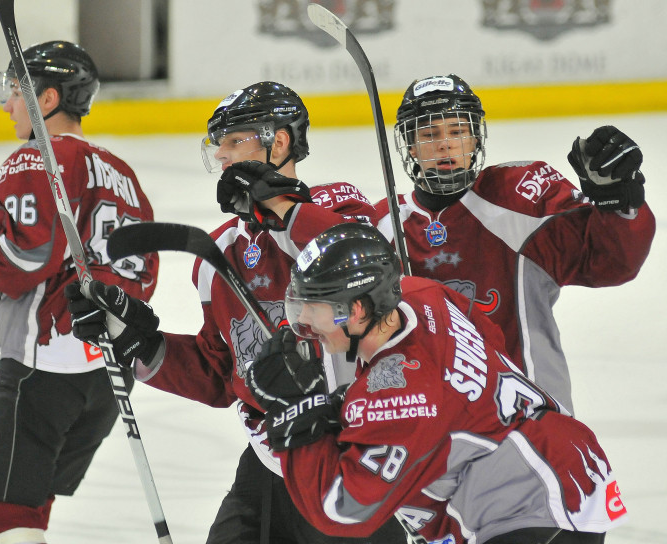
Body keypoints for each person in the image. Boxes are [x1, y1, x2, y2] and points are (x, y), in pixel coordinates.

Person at [67, 81, 410, 543]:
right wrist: (137, 343)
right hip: (269, 463)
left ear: (280, 141)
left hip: (352, 461)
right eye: (219, 145)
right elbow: (218, 373)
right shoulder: (221, 251)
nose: (223, 155)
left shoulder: (338, 205)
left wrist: (281, 207)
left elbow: (367, 265)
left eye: (235, 140)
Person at [245, 222, 629, 543]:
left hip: (528, 509)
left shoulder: (401, 394)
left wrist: (292, 416)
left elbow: (343, 509)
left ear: (357, 310)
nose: (303, 322)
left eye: (314, 306)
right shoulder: (419, 295)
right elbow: (489, 337)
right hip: (557, 468)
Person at [0, 41, 158, 544]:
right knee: (30, 495)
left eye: (14, 91)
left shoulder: (36, 160)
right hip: (107, 372)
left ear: (47, 100)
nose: (7, 104)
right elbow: (119, 268)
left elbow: (22, 259)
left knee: (3, 508)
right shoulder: (124, 174)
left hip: (44, 370)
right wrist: (13, 300)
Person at [374, 74, 655, 413]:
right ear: (411, 146)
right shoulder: (382, 226)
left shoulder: (518, 197)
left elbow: (611, 262)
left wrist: (617, 199)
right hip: (432, 425)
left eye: (458, 131)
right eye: (429, 134)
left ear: (476, 139)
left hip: (531, 418)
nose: (445, 144)